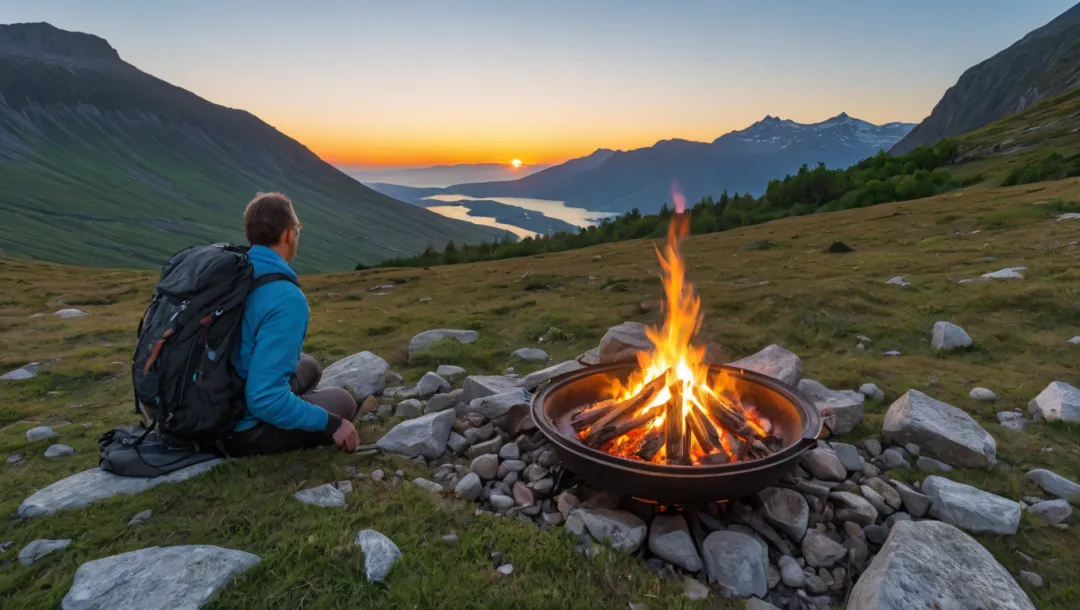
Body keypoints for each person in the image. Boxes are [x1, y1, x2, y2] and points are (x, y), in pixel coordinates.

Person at [224, 192, 360, 456]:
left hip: (203, 398)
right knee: (342, 401)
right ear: (287, 234)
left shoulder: (235, 271)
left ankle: (293, 403)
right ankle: (293, 409)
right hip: (234, 428)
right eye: (297, 229)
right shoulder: (285, 297)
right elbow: (263, 399)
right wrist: (332, 424)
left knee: (308, 365)